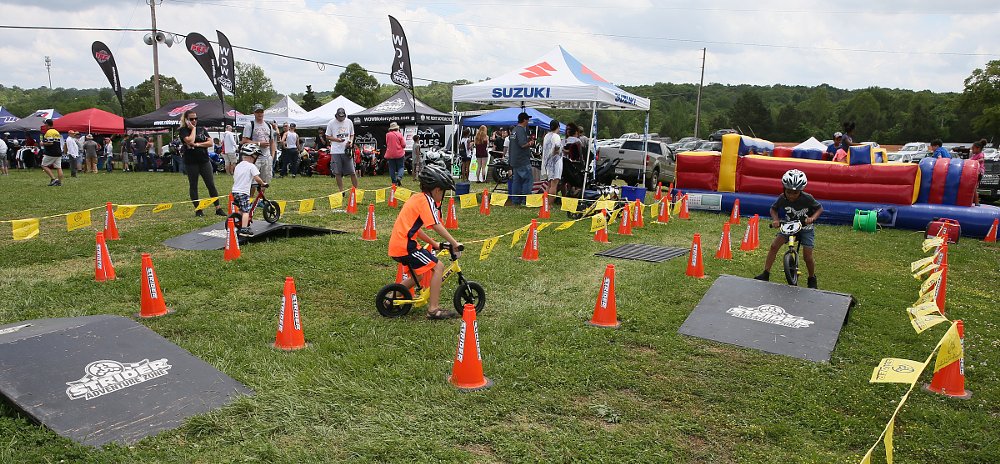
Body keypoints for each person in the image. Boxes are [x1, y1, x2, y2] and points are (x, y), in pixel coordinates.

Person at [388, 162, 463, 319]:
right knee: (438, 267)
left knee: (419, 276)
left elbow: (417, 229)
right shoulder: (426, 201)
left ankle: (390, 298)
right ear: (437, 190)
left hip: (399, 244)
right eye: (443, 192)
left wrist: (435, 244)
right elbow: (436, 225)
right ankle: (433, 310)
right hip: (406, 246)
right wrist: (455, 243)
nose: (442, 196)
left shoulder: (417, 198)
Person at [755, 169, 824, 289]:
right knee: (774, 246)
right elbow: (773, 209)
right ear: (784, 189)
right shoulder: (782, 198)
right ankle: (765, 273)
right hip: (789, 225)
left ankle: (812, 277)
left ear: (801, 191)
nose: (791, 195)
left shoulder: (807, 198)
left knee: (807, 256)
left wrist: (812, 218)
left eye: (795, 193)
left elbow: (819, 208)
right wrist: (776, 220)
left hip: (805, 227)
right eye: (789, 192)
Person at [180, 110, 226, 217]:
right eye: (191, 119)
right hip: (191, 162)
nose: (194, 121)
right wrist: (193, 129)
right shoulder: (183, 130)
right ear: (186, 120)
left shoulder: (202, 129)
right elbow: (190, 141)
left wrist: (197, 145)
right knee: (193, 185)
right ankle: (198, 209)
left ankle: (218, 208)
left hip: (204, 161)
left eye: (196, 118)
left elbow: (210, 143)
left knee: (211, 184)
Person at [232, 144, 268, 235]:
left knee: (241, 209)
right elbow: (257, 178)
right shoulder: (251, 166)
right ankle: (244, 228)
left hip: (235, 191)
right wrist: (263, 183)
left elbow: (239, 177)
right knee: (246, 211)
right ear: (252, 156)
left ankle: (239, 222)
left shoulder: (238, 165)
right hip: (243, 192)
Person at [241, 104, 276, 190]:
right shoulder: (250, 125)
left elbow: (272, 142)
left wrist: (272, 156)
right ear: (254, 113)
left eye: (261, 112)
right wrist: (259, 144)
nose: (260, 114)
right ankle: (251, 200)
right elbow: (244, 141)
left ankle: (261, 200)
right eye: (257, 112)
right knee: (253, 181)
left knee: (264, 181)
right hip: (254, 157)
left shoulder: (269, 126)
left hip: (267, 157)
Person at [325, 107, 357, 191]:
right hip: (336, 151)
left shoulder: (349, 122)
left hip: (346, 150)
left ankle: (355, 190)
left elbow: (352, 134)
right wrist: (337, 140)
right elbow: (327, 136)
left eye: (343, 117)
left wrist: (350, 141)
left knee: (352, 172)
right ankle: (341, 191)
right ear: (336, 116)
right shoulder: (331, 123)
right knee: (337, 172)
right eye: (339, 117)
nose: (341, 119)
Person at [508, 113, 535, 205]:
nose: (528, 121)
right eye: (527, 119)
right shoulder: (520, 130)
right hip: (522, 160)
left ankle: (515, 200)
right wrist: (530, 143)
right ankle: (525, 200)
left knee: (517, 181)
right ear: (524, 120)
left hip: (514, 160)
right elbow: (523, 144)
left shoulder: (514, 130)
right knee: (528, 180)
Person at [541, 119, 562, 208]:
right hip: (555, 162)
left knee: (549, 184)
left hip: (547, 162)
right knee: (554, 184)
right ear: (558, 127)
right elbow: (557, 146)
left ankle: (546, 203)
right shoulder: (556, 136)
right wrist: (556, 152)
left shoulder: (546, 136)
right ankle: (549, 204)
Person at [40, 119, 63, 186]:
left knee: (44, 165)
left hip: (51, 152)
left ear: (47, 124)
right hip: (58, 152)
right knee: (59, 167)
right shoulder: (56, 132)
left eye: (45, 124)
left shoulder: (49, 132)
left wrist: (43, 144)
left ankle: (53, 179)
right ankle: (59, 182)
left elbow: (50, 142)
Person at [384, 121, 406, 185]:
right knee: (401, 167)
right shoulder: (399, 134)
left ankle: (393, 181)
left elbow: (387, 143)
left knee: (391, 168)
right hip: (399, 154)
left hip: (390, 154)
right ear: (397, 128)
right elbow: (404, 145)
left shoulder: (387, 135)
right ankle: (399, 177)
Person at [969, 139, 988, 206]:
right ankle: (973, 201)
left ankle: (976, 202)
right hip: (975, 173)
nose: (972, 150)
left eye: (973, 149)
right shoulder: (974, 155)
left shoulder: (980, 154)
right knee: (972, 187)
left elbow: (982, 159)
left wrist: (976, 161)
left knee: (974, 188)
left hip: (979, 172)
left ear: (978, 148)